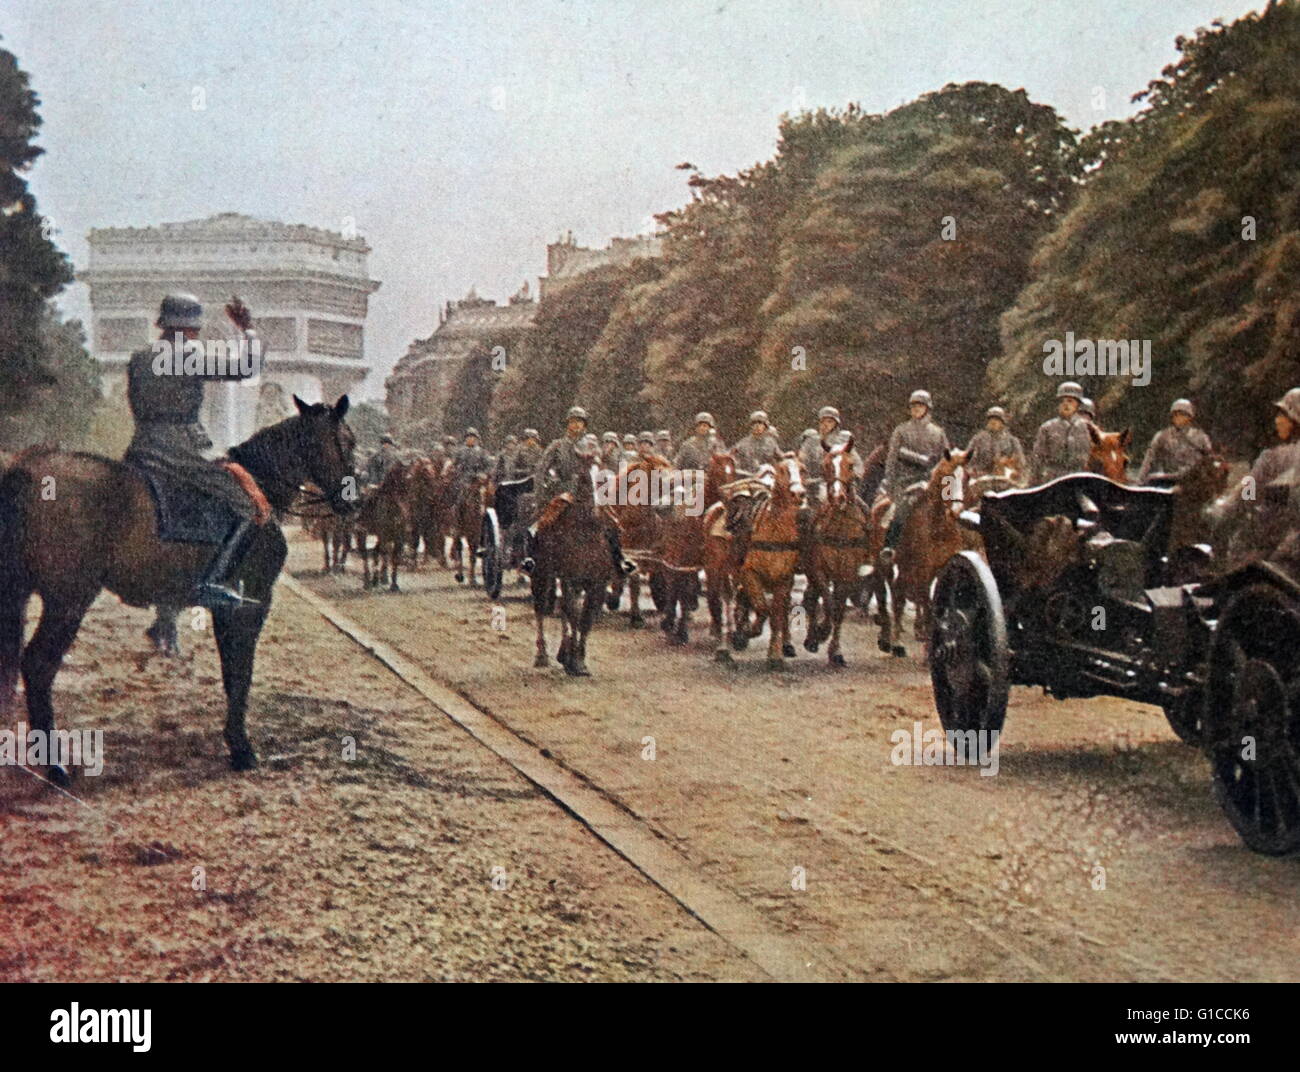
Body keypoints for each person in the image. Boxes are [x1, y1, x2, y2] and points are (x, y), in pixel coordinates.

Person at [123, 292, 268, 609]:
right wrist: (249, 329)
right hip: (184, 451)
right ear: (192, 328)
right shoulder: (190, 356)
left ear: (162, 323)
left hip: (142, 446)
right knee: (246, 504)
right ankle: (211, 580)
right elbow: (247, 368)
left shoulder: (139, 357)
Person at [524, 406, 634, 574]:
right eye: (573, 422)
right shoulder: (557, 446)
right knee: (540, 524)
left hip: (590, 494)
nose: (576, 425)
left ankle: (619, 560)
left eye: (580, 422)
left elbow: (600, 468)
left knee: (613, 523)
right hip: (562, 493)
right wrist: (542, 496)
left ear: (585, 425)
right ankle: (531, 559)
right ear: (568, 424)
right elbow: (541, 470)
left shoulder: (592, 446)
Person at [1136, 398, 1213, 484]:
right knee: (1153, 479)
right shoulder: (1162, 436)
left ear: (1189, 417)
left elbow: (1209, 460)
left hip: (1192, 482)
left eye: (1181, 414)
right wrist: (1140, 480)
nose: (1177, 417)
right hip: (1169, 479)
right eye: (1175, 414)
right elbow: (1149, 459)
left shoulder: (1200, 437)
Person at [1031, 381, 1092, 484]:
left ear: (1077, 405)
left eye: (1070, 401)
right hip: (1052, 480)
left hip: (1078, 478)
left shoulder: (1087, 428)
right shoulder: (1047, 428)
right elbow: (1038, 459)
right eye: (1062, 401)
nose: (1066, 404)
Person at [964, 406, 1026, 478]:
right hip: (981, 478)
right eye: (991, 419)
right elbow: (967, 461)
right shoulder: (978, 440)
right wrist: (975, 472)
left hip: (1006, 479)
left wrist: (1007, 464)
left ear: (1002, 423)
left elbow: (1021, 463)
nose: (993, 422)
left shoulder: (1012, 441)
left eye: (997, 419)